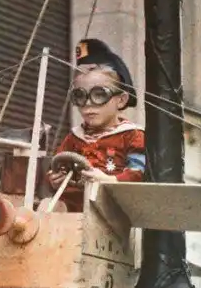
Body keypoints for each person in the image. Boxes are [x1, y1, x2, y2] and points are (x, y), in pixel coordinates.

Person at [47, 38, 145, 212]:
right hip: (72, 210)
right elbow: (57, 165)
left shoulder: (132, 136)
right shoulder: (74, 137)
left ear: (121, 100)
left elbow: (139, 174)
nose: (88, 104)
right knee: (46, 208)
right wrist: (54, 178)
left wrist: (110, 180)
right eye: (79, 96)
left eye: (99, 95)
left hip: (111, 212)